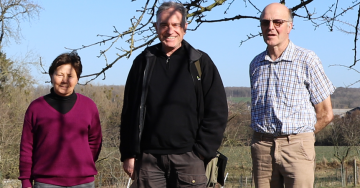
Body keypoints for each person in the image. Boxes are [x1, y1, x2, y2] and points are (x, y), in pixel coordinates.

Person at [120, 1, 228, 187]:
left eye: (176, 25)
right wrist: (129, 153)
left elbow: (217, 110)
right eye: (164, 25)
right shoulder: (143, 62)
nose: (170, 31)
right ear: (156, 28)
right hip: (149, 161)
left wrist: (202, 152)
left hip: (190, 160)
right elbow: (129, 111)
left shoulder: (200, 62)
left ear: (185, 27)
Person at [249, 3, 336, 188]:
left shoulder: (307, 59)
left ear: (290, 26)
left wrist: (302, 138)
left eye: (277, 22)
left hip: (297, 147)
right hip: (262, 148)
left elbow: (326, 113)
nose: (271, 27)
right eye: (265, 22)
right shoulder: (255, 64)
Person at [18, 51, 102, 188]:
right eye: (60, 75)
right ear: (51, 76)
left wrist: (82, 163)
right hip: (45, 182)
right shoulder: (36, 107)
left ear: (77, 78)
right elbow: (27, 147)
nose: (64, 80)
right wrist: (26, 181)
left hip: (83, 183)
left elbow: (95, 141)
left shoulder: (89, 107)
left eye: (70, 76)